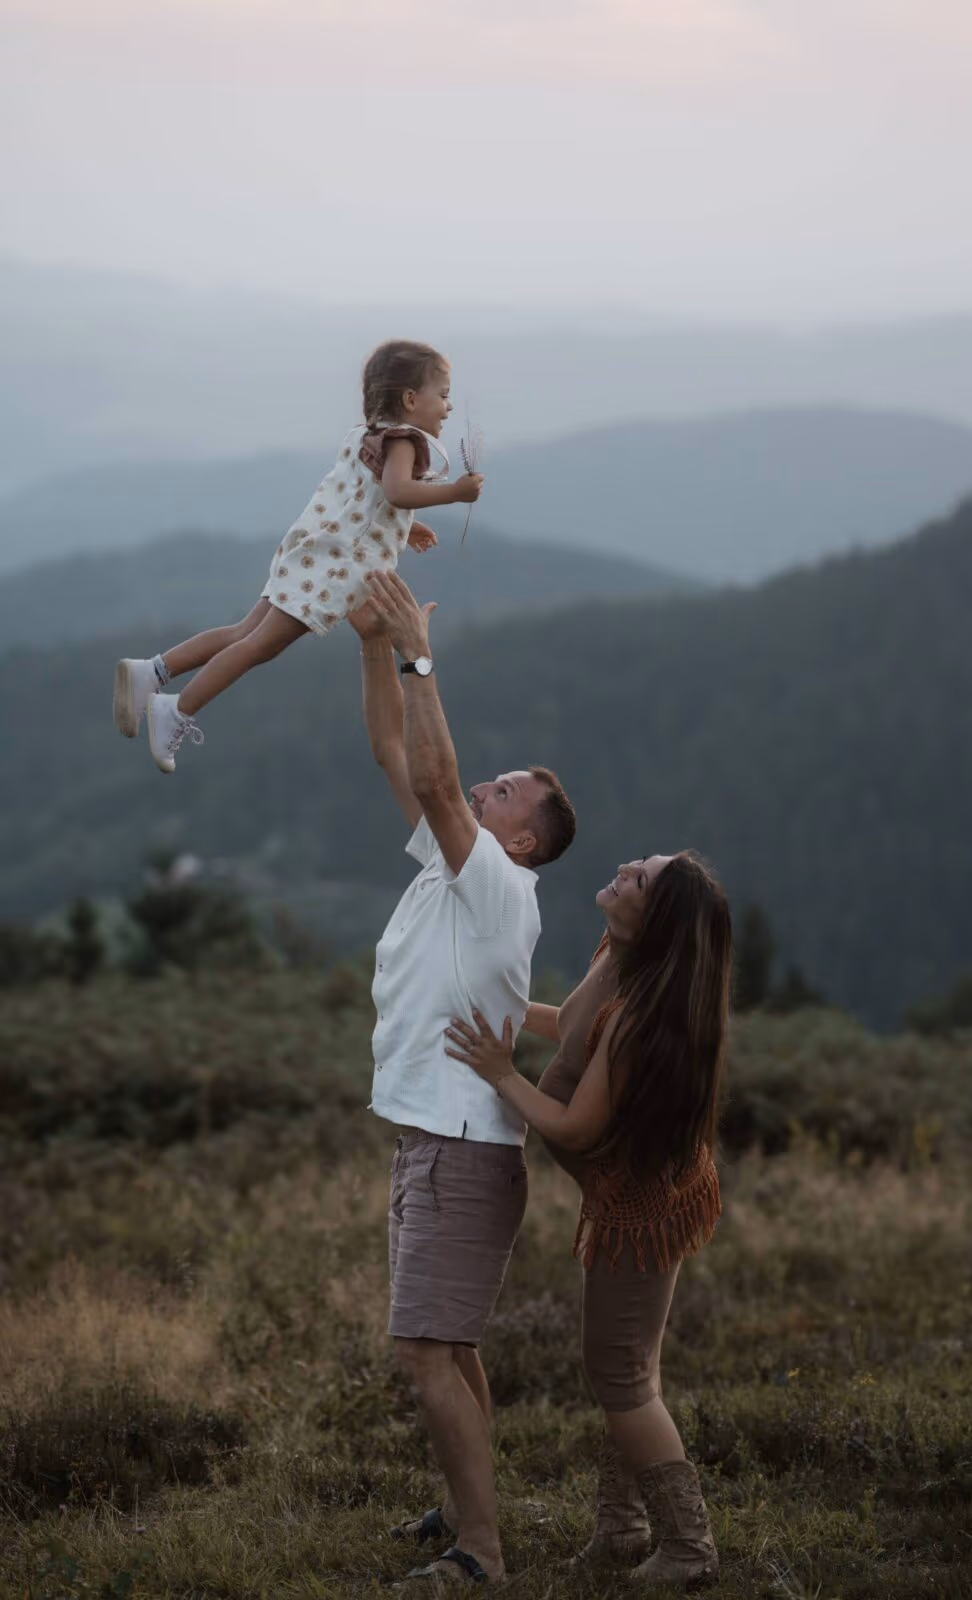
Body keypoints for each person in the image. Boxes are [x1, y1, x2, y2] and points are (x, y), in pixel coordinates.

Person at [353, 569, 576, 1589]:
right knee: (451, 1346)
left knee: (423, 1353)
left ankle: (480, 1550)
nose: (484, 785)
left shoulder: (499, 883)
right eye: (492, 780)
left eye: (505, 792)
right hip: (433, 1138)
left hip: (460, 1147)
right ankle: (464, 1510)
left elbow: (440, 785)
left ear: (520, 839)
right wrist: (373, 643)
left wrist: (419, 657)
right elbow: (395, 755)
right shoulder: (455, 868)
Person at [445, 851, 731, 1588]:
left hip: (641, 1210)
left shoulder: (640, 1018)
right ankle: (622, 1528)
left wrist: (499, 1073)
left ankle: (688, 1547)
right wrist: (499, 1013)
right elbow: (570, 1027)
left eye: (642, 877)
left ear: (655, 921)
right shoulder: (617, 956)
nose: (627, 866)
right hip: (626, 1197)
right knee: (626, 1370)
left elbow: (573, 1126)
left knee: (619, 1373)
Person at [111, 339, 483, 774]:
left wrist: (403, 525)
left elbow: (370, 497)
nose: (448, 407)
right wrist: (454, 493)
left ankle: (152, 672)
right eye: (443, 395)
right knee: (259, 645)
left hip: (309, 551)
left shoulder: (370, 434)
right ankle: (175, 710)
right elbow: (397, 490)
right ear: (410, 399)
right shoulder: (406, 442)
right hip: (331, 569)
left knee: (244, 632)